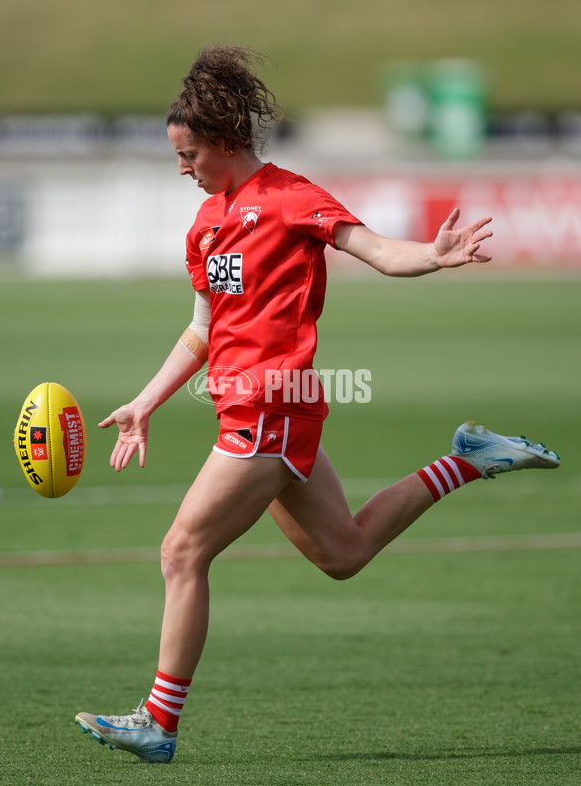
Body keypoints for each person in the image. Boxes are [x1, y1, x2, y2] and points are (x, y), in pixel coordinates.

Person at [75, 45, 560, 764]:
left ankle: (158, 721)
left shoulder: (290, 198)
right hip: (261, 411)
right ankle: (465, 461)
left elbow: (376, 250)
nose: (183, 168)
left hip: (270, 408)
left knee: (181, 552)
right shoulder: (204, 225)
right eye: (177, 156)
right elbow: (202, 332)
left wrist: (434, 253)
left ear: (227, 139)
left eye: (190, 153)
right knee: (345, 552)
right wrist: (146, 402)